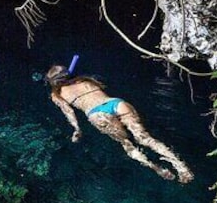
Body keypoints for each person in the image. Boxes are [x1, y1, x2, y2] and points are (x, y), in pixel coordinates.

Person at [45, 64, 193, 183]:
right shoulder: (84, 79)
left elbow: (69, 113)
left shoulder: (56, 94)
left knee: (127, 143)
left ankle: (157, 168)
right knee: (145, 138)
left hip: (98, 114)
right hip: (115, 103)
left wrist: (76, 129)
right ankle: (181, 167)